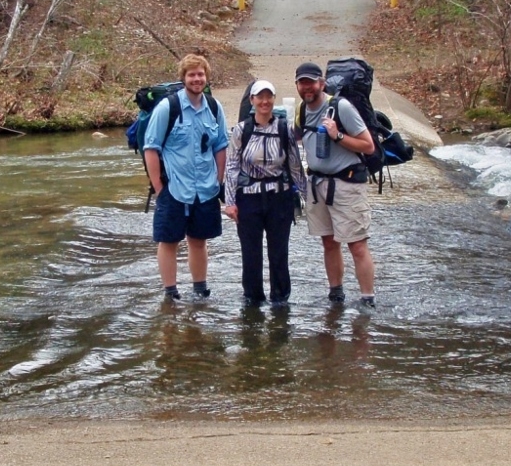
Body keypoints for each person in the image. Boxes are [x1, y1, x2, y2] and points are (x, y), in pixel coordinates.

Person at [142, 54, 229, 304]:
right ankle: (170, 292)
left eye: (200, 74)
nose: (196, 79)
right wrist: (160, 188)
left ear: (206, 77)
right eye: (191, 74)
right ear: (183, 78)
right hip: (174, 187)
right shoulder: (168, 108)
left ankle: (200, 289)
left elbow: (221, 145)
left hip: (205, 187)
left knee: (198, 240)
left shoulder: (214, 107)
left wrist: (219, 180)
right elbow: (151, 147)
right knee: (168, 241)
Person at [293, 62, 377, 307]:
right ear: (297, 85)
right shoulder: (301, 109)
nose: (307, 87)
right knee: (329, 243)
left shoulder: (341, 107)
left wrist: (338, 136)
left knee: (357, 245)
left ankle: (367, 299)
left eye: (311, 82)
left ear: (322, 83)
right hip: (318, 185)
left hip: (347, 184)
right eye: (302, 82)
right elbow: (296, 137)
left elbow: (368, 146)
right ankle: (336, 293)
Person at [224, 80, 307, 309]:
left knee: (279, 252)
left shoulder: (284, 129)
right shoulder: (242, 130)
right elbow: (231, 167)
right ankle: (253, 299)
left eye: (268, 97)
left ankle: (280, 300)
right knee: (251, 253)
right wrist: (229, 202)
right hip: (248, 198)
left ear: (273, 99)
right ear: (252, 100)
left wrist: (309, 197)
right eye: (259, 97)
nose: (264, 101)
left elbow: (295, 165)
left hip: (279, 199)